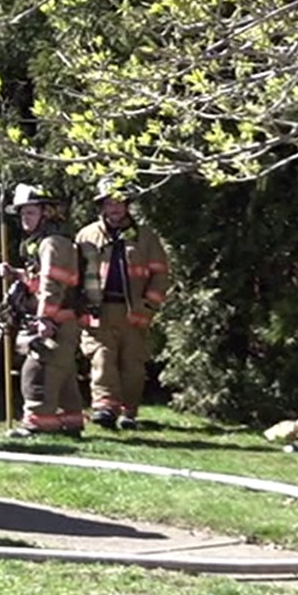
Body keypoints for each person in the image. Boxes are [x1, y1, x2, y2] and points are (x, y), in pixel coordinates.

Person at [75, 178, 172, 430]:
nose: (115, 208)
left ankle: (128, 412)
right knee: (101, 359)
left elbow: (160, 275)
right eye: (110, 203)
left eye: (119, 202)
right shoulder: (87, 235)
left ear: (127, 205)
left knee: (133, 365)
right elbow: (76, 275)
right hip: (99, 311)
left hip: (134, 311)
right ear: (101, 206)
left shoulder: (145, 237)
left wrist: (149, 307)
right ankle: (104, 408)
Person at [2, 183, 85, 438]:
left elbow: (52, 285)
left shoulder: (52, 243)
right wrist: (17, 275)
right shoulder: (46, 243)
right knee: (64, 375)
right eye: (22, 213)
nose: (24, 219)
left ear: (46, 214)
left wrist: (44, 319)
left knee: (37, 370)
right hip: (61, 321)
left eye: (30, 213)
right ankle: (71, 422)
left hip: (56, 321)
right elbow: (40, 279)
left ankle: (37, 423)